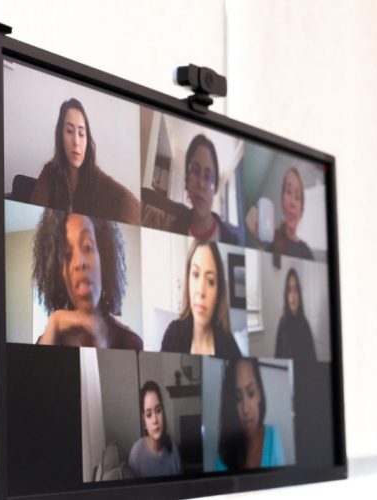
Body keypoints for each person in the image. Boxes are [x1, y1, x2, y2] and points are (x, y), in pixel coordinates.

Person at [32, 208, 142, 350]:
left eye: (88, 247)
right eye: (67, 254)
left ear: (103, 256)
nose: (79, 263)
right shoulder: (47, 340)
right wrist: (54, 324)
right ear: (58, 273)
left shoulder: (132, 344)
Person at [28, 98, 141, 225]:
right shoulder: (50, 172)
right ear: (60, 136)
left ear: (87, 140)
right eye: (69, 131)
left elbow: (132, 201)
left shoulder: (96, 176)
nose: (76, 141)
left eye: (81, 134)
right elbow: (34, 215)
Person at [143, 134, 245, 244]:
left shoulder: (232, 240)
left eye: (208, 176)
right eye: (195, 170)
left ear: (214, 188)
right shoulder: (173, 229)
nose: (201, 183)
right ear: (187, 181)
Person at [159, 239, 243, 357]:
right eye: (195, 274)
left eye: (210, 281)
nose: (201, 290)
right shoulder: (173, 334)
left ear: (218, 293)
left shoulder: (229, 346)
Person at [216, 358, 286, 470]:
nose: (245, 409)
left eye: (251, 393)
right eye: (238, 398)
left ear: (259, 394)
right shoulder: (225, 450)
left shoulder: (274, 437)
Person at [247, 166, 315, 265]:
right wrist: (258, 240)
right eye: (288, 192)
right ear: (282, 199)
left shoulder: (307, 253)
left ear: (301, 209)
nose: (293, 203)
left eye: (297, 197)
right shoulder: (270, 240)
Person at [128, 381, 183, 478]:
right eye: (149, 415)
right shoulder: (136, 453)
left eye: (158, 411)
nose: (155, 420)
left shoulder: (174, 450)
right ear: (144, 421)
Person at [273, 268, 316, 361]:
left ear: (299, 295)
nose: (293, 295)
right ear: (286, 295)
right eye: (289, 290)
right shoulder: (282, 323)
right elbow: (277, 355)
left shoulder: (305, 324)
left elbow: (313, 358)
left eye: (295, 290)